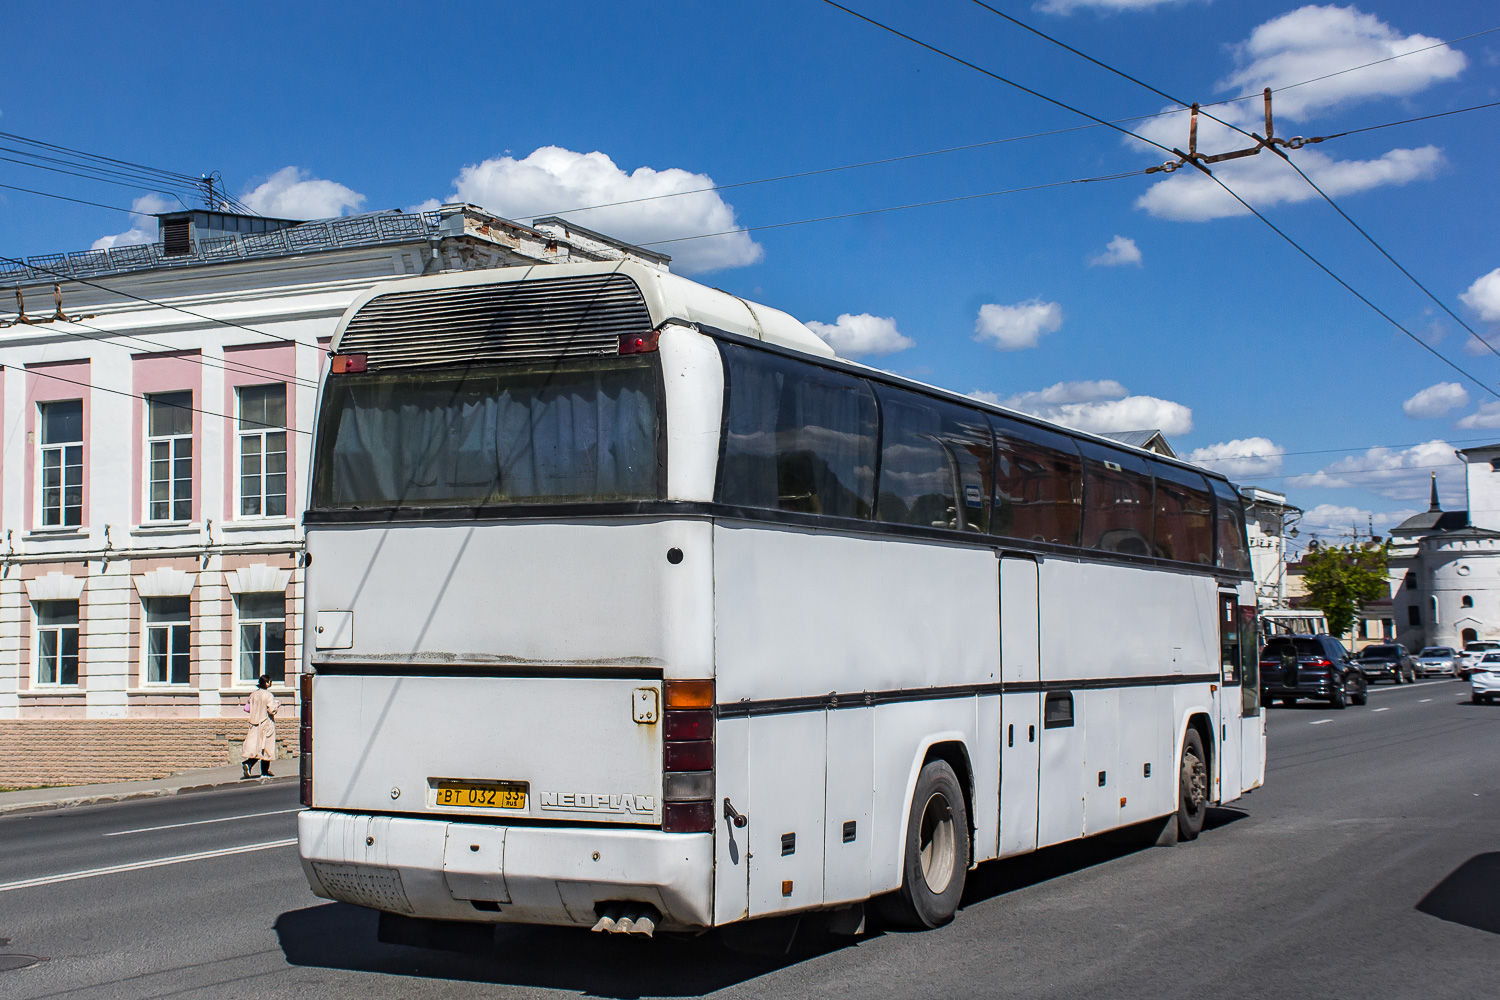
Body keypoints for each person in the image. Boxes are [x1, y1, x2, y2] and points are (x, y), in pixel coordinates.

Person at [241, 674, 280, 778]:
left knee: (257, 747)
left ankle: (249, 763)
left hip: (254, 723)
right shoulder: (268, 695)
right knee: (266, 748)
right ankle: (265, 771)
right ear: (267, 683)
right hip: (266, 723)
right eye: (270, 681)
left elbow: (248, 707)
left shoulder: (253, 694)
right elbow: (271, 710)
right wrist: (277, 705)